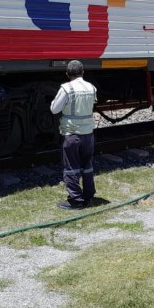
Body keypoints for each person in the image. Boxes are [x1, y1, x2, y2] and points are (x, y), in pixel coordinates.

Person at [50, 60, 97, 210]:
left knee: (71, 167)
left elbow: (54, 109)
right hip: (88, 134)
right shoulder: (91, 87)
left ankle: (76, 200)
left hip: (72, 134)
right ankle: (89, 195)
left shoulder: (66, 88)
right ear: (83, 72)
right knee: (87, 166)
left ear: (67, 74)